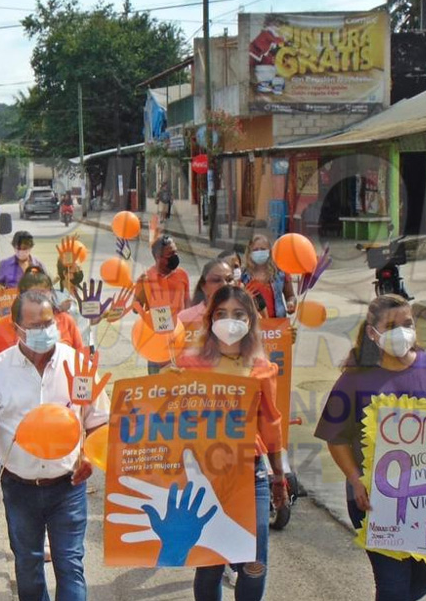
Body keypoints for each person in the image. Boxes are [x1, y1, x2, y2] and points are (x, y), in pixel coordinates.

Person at [315, 294, 426, 601]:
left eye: (407, 323)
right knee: (393, 586)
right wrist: (354, 479)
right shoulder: (355, 379)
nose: (401, 331)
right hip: (375, 498)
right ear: (373, 332)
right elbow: (335, 438)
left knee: (425, 577)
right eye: (391, 325)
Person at [0, 290, 110, 601]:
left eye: (48, 323)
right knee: (28, 566)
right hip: (20, 489)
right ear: (14, 326)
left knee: (70, 565)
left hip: (68, 487)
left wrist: (90, 458)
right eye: (33, 326)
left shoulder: (78, 365)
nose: (43, 332)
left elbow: (98, 421)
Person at [176, 284, 286, 601]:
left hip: (251, 474)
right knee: (210, 562)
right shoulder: (188, 366)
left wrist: (279, 475)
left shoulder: (263, 369)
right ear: (210, 320)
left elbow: (271, 423)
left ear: (251, 321)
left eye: (238, 314)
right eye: (221, 314)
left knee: (255, 564)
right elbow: (172, 421)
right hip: (205, 475)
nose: (230, 321)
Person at [0, 269, 84, 365]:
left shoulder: (66, 321)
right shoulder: (3, 326)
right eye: (34, 293)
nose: (40, 297)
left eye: (44, 291)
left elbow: (81, 360)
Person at [134, 234, 190, 373]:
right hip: (156, 342)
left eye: (176, 252)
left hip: (180, 339)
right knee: (157, 386)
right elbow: (136, 308)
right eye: (170, 254)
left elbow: (188, 304)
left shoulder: (182, 275)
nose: (175, 256)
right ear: (158, 258)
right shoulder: (145, 278)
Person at [243, 233, 295, 319]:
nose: (259, 252)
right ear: (249, 252)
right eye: (255, 250)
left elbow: (290, 296)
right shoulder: (243, 276)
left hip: (277, 325)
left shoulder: (280, 273)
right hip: (252, 323)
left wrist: (291, 303)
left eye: (263, 249)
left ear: (270, 251)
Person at [177, 258, 234, 328]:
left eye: (229, 279)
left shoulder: (244, 317)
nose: (224, 284)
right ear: (203, 286)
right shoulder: (184, 318)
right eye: (216, 280)